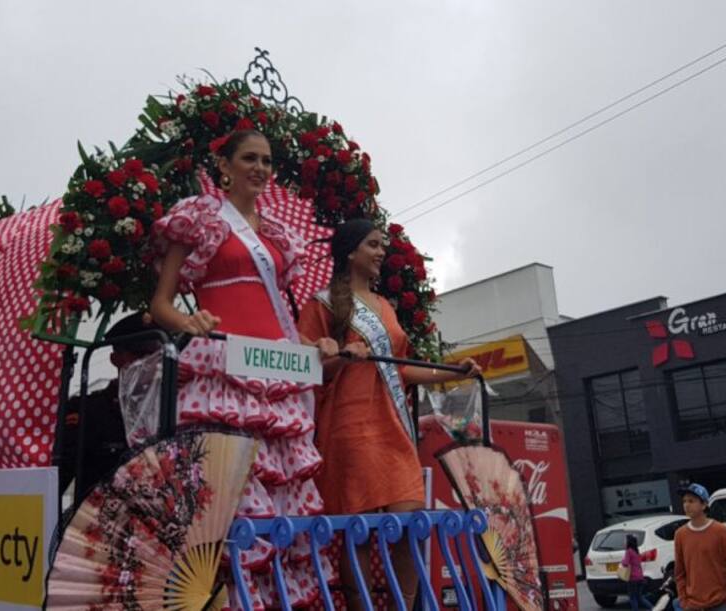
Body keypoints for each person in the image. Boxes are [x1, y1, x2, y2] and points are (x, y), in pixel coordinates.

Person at [149, 128, 339, 609]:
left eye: (267, 161)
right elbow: (160, 305)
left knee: (280, 496)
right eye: (249, 158)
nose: (260, 168)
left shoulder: (274, 233)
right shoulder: (200, 217)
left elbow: (279, 311)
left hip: (278, 371)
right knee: (228, 498)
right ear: (225, 168)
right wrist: (189, 322)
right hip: (222, 366)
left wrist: (316, 345)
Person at [296, 219, 479, 610]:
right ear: (350, 252)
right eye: (373, 244)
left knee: (413, 525)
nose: (381, 252)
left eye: (382, 245)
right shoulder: (322, 303)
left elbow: (400, 368)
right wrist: (342, 359)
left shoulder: (385, 308)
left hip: (392, 427)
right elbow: (307, 367)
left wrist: (451, 372)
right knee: (358, 529)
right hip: (349, 427)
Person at [58, 311, 159, 497]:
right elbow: (60, 476)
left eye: (155, 356)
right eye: (140, 355)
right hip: (97, 517)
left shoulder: (171, 408)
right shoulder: (89, 410)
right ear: (115, 359)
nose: (149, 363)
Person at [673, 483, 726, 611]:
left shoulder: (721, 531)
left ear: (704, 505)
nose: (686, 505)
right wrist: (683, 600)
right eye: (684, 501)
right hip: (693, 604)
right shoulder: (680, 534)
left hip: (721, 603)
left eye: (691, 501)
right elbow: (680, 572)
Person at [622, 533, 655, 611]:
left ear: (628, 542)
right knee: (639, 597)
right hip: (640, 577)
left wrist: (622, 561)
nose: (624, 542)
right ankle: (653, 608)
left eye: (625, 540)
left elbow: (625, 563)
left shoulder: (628, 551)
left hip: (632, 578)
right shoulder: (636, 551)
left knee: (633, 598)